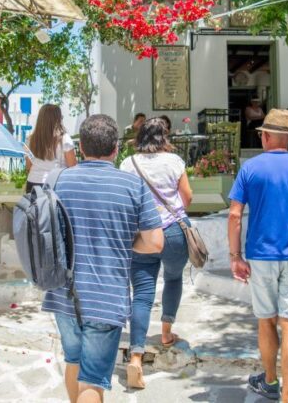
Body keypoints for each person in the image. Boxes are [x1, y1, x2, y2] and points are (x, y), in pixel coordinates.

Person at [43, 114, 164, 403]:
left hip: (63, 293)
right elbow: (155, 242)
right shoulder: (132, 186)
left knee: (73, 361)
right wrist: (125, 242)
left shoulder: (57, 180)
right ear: (116, 149)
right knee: (93, 381)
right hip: (106, 297)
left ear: (81, 148)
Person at [227, 108, 288, 403]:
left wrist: (235, 256)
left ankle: (270, 380)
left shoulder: (250, 169)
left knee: (266, 321)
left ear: (266, 137)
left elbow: (234, 215)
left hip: (261, 255)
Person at [119, 118, 193, 389]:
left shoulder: (128, 164)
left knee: (141, 293)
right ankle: (165, 334)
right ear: (164, 137)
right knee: (173, 279)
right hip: (172, 231)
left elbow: (125, 199)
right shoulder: (174, 161)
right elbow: (187, 197)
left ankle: (136, 356)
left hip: (141, 234)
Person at [25, 104, 77, 192]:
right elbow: (73, 167)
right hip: (55, 183)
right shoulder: (64, 139)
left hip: (33, 183)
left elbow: (29, 166)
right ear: (57, 119)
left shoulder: (30, 139)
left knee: (34, 206)